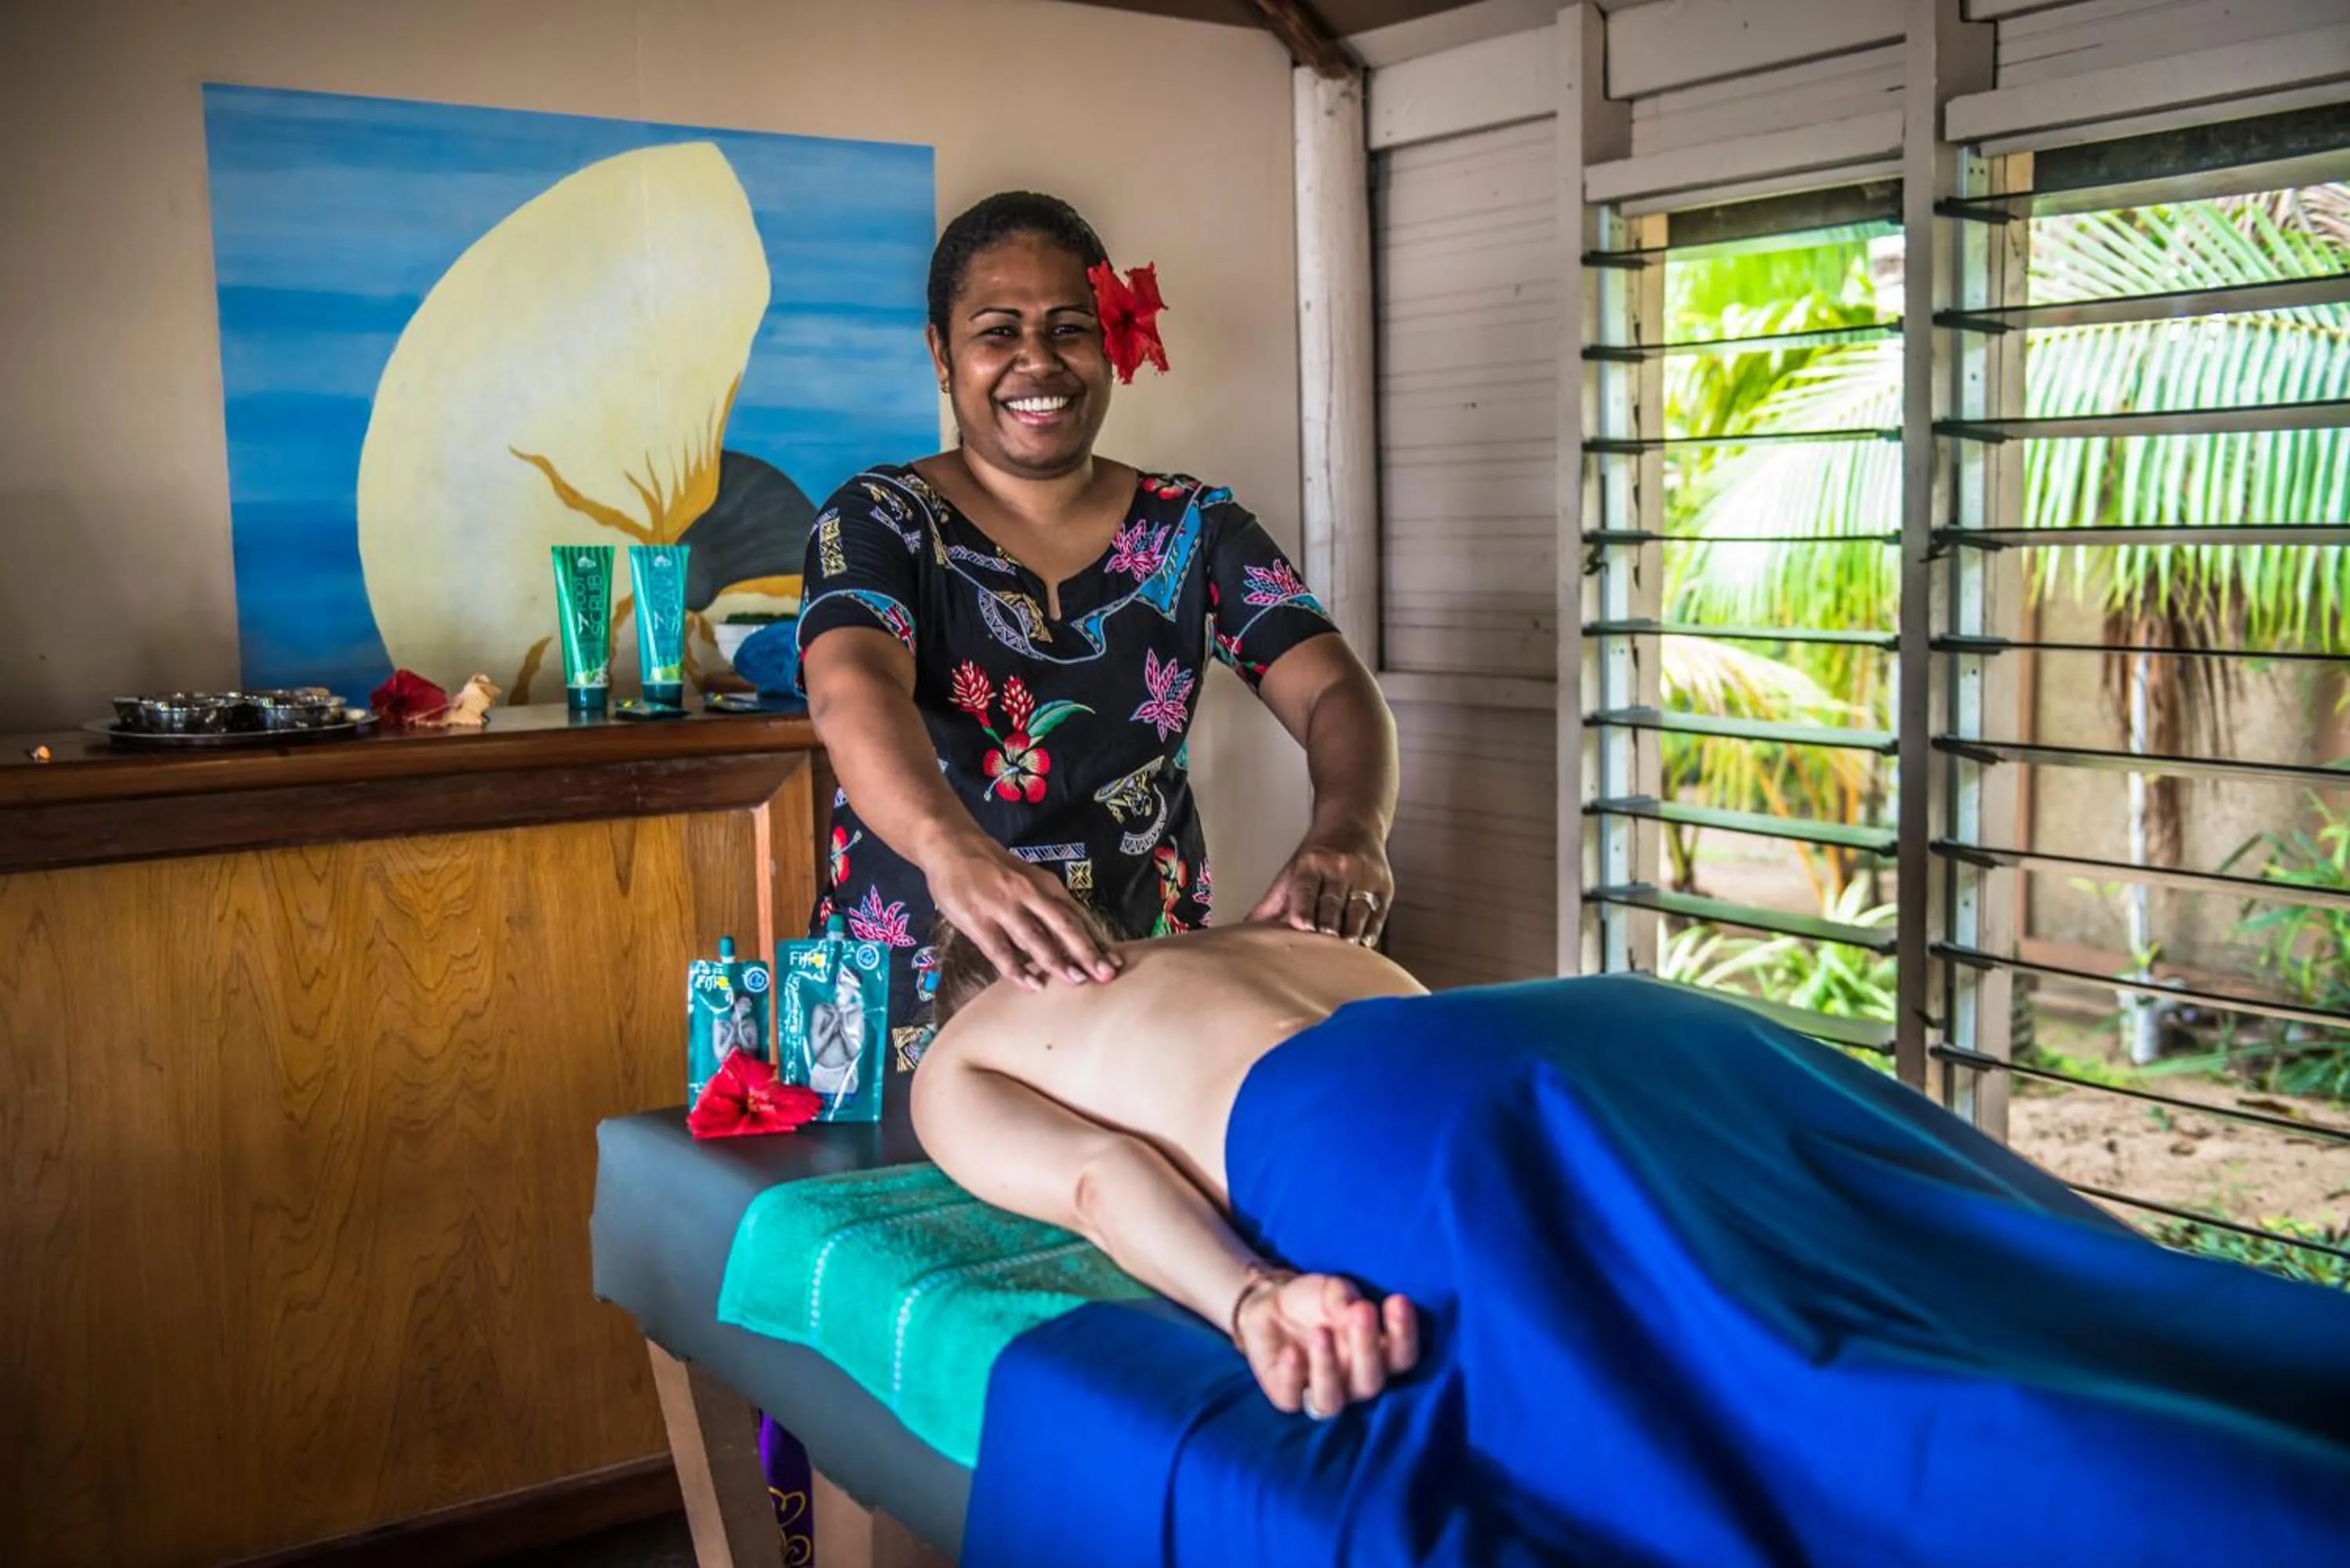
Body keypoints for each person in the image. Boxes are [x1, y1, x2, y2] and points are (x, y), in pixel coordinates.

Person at [919, 925, 2350, 1568]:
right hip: (1626, 1028)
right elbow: (1436, 1032)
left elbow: (1105, 1179)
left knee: (1793, 1392)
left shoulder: (959, 1050)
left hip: (1389, 1100)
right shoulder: (1247, 940)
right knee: (1970, 1267)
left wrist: (1254, 1297)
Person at [796, 190, 1399, 1078]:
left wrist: (1350, 829)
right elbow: (850, 689)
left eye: (1069, 328)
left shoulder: (1196, 527)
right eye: (997, 331)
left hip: (1139, 991)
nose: (1037, 362)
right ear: (941, 351)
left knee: (1127, 1202)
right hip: (910, 1005)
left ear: (1109, 344)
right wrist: (952, 849)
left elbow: (1337, 690)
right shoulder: (880, 520)